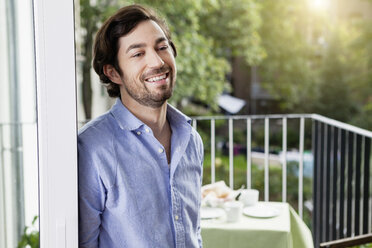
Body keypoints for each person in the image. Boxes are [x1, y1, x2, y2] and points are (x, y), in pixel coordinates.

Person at [78, 4, 204, 248]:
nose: (157, 61)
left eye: (162, 47)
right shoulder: (91, 150)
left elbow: (193, 232)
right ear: (114, 73)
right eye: (138, 54)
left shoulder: (191, 140)